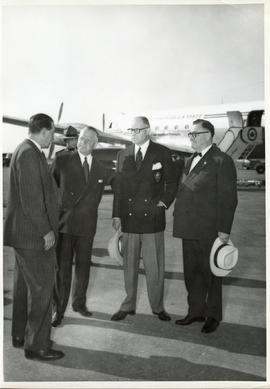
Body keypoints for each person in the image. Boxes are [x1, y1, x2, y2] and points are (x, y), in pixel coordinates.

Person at [4, 113, 64, 361]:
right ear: (46, 130)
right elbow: (31, 200)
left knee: (23, 290)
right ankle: (37, 346)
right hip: (33, 236)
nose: (54, 137)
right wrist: (46, 231)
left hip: (24, 236)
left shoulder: (25, 150)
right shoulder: (29, 153)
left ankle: (20, 335)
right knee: (41, 290)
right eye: (52, 132)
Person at [173, 119, 238, 333]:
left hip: (209, 228)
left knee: (211, 274)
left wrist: (224, 230)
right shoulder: (189, 160)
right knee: (192, 273)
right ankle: (195, 312)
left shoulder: (222, 160)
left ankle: (213, 316)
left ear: (208, 135)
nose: (191, 137)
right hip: (188, 226)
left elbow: (228, 199)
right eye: (189, 134)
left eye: (195, 134)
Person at [111, 116, 177, 322]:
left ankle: (157, 307)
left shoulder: (162, 153)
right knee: (129, 265)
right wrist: (116, 213)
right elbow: (119, 188)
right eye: (131, 130)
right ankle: (128, 304)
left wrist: (163, 204)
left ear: (147, 130)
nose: (133, 133)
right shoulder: (124, 154)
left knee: (154, 266)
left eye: (137, 130)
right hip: (129, 218)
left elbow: (173, 183)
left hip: (152, 219)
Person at [51, 126, 107, 327]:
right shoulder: (62, 160)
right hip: (65, 225)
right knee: (62, 270)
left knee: (84, 268)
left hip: (86, 226)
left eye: (88, 140)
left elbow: (98, 196)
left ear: (95, 144)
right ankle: (58, 309)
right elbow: (51, 188)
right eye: (81, 138)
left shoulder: (101, 168)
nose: (82, 142)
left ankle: (79, 303)